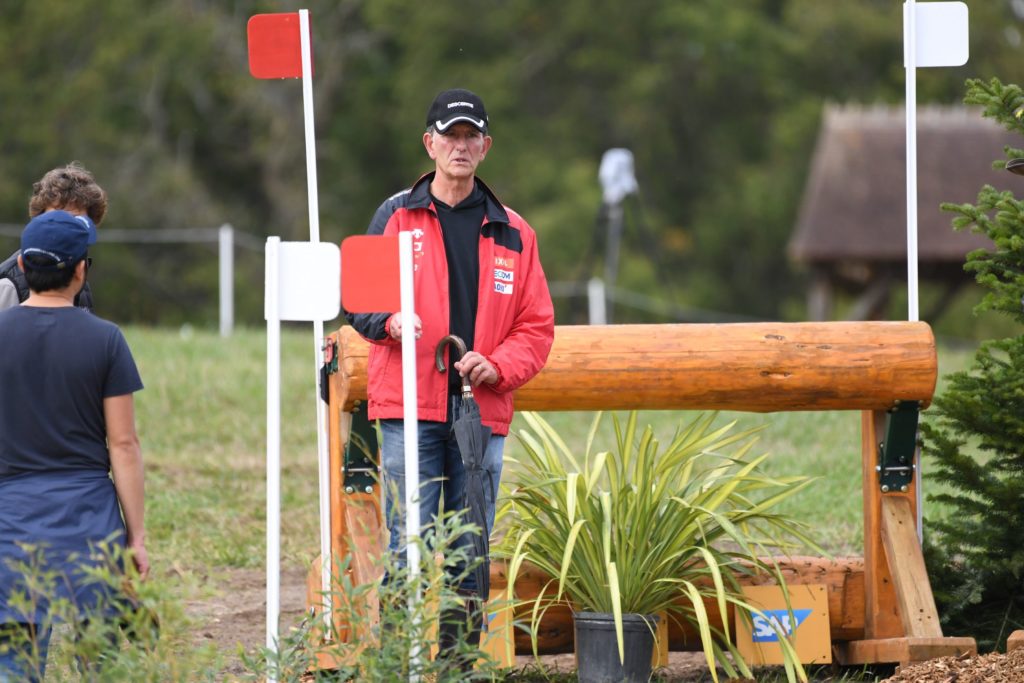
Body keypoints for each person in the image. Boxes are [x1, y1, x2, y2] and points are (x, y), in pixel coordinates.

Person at [345, 88, 555, 660]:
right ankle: (398, 663)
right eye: (450, 135)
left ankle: (458, 667)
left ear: (485, 147)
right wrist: (388, 321)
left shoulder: (515, 232)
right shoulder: (396, 215)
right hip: (407, 408)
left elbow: (536, 329)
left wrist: (498, 364)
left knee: (470, 551)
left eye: (471, 137)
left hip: (479, 415)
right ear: (429, 143)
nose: (460, 146)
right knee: (405, 546)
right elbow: (356, 302)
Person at [0, 211, 147, 682]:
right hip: (90, 525)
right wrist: (136, 538)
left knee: (14, 664)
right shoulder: (106, 340)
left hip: (11, 522)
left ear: (21, 267)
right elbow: (123, 445)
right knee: (99, 662)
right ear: (81, 270)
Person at [0, 161, 107, 312]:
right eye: (56, 217)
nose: (64, 228)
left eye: (76, 222)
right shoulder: (7, 287)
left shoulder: (82, 283)